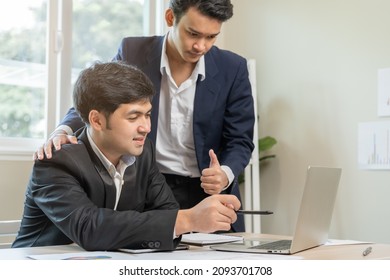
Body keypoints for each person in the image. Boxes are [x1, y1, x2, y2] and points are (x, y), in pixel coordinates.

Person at [35, 0, 254, 232]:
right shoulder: (133, 51)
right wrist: (63, 130)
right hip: (151, 185)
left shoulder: (233, 67)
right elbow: (99, 98)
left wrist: (225, 173)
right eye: (193, 33)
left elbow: (240, 139)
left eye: (211, 37)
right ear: (170, 18)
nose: (200, 46)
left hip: (206, 187)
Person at [12, 61, 240, 251]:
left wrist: (188, 218)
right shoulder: (56, 160)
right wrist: (188, 219)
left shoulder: (143, 153)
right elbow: (89, 228)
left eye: (148, 115)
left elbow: (167, 212)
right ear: (97, 120)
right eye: (133, 117)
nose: (146, 127)